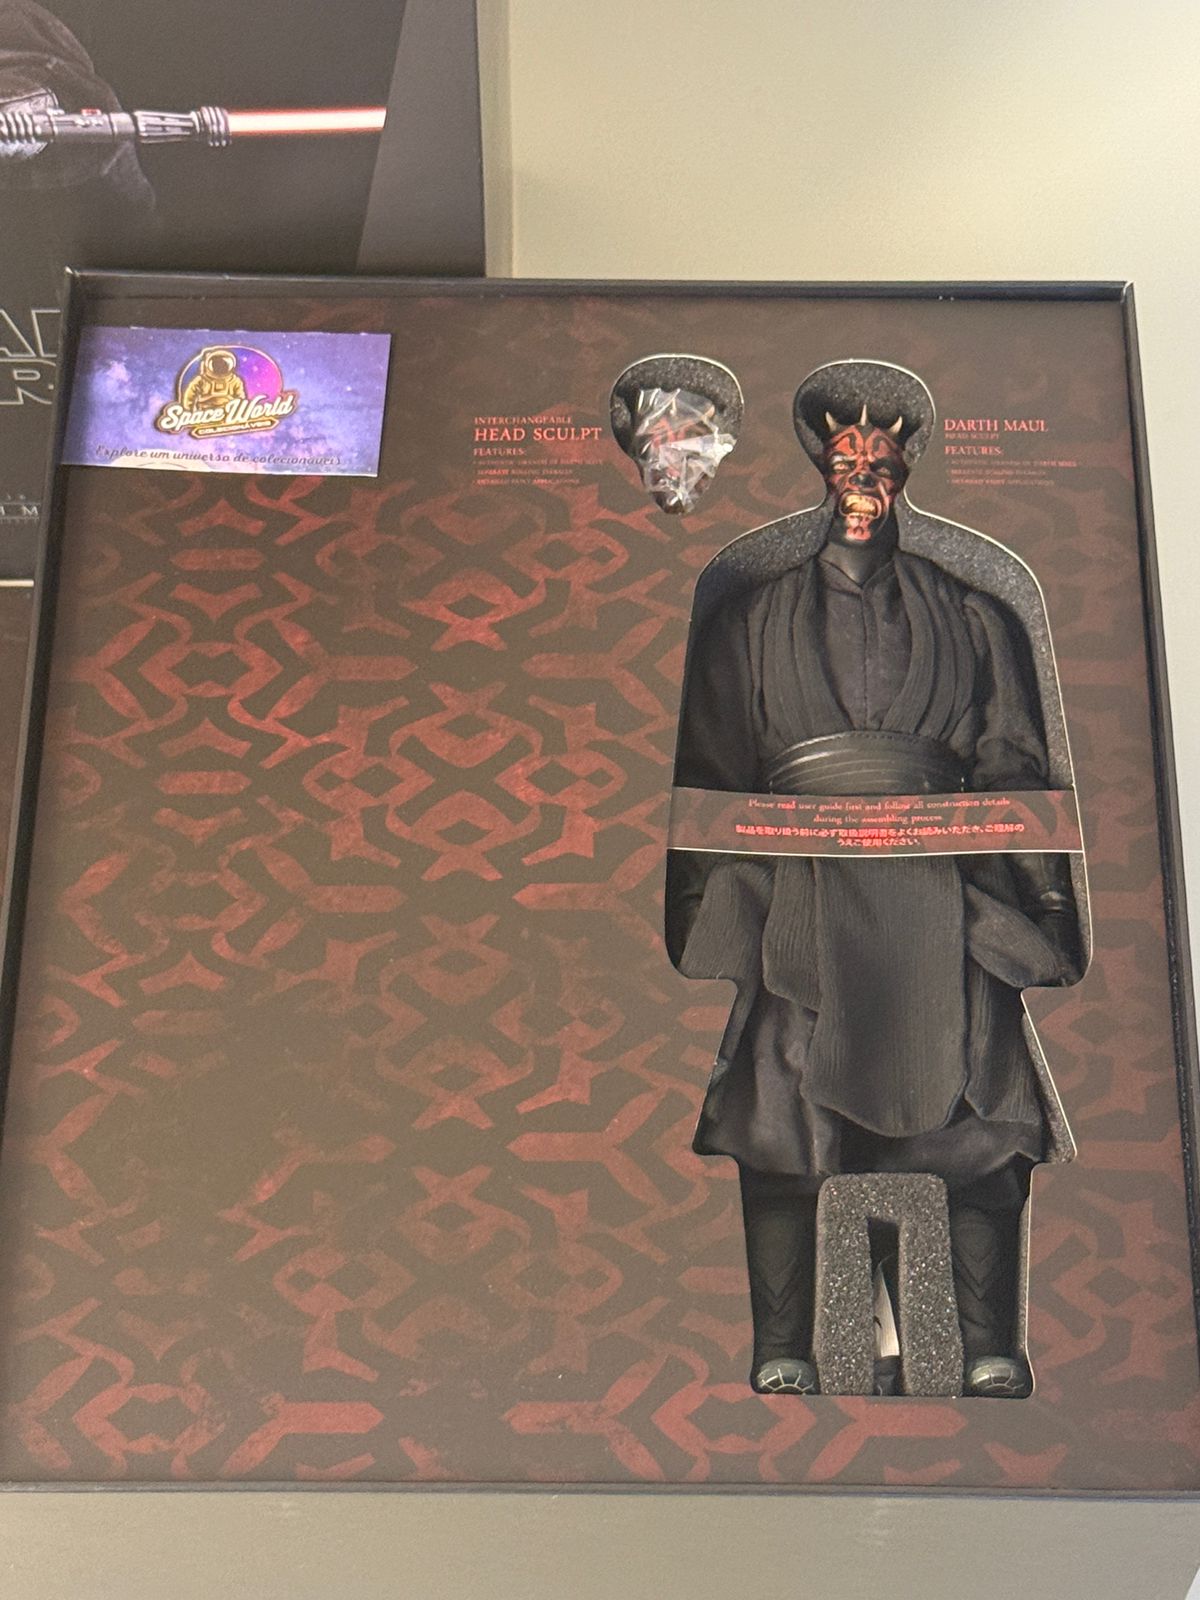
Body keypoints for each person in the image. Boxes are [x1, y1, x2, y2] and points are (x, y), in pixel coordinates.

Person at [668, 360, 1084, 1398]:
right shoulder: (749, 621)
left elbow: (1016, 768)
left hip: (942, 881)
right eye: (848, 461)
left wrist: (1043, 901)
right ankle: (784, 1345)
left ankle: (986, 1347)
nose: (864, 480)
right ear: (820, 466)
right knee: (782, 1122)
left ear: (906, 473)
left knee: (982, 1124)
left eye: (882, 464)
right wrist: (700, 907)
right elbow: (709, 774)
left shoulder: (975, 616)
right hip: (798, 886)